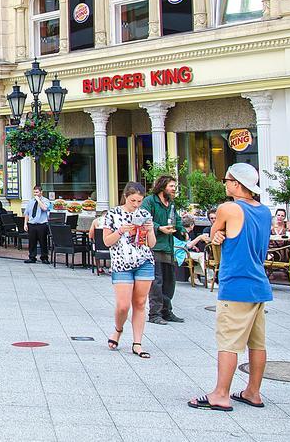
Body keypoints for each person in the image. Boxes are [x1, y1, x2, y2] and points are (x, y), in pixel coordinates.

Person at [189, 163, 272, 412]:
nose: (224, 184)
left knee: (228, 342)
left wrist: (218, 234)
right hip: (259, 283)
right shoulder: (265, 211)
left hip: (236, 282)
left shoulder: (229, 208)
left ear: (236, 183)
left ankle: (220, 394)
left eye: (226, 180)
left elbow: (214, 232)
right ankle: (253, 392)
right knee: (257, 343)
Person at [103, 182, 156, 359]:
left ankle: (137, 343)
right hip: (122, 263)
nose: (136, 205)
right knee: (123, 305)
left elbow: (152, 244)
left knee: (140, 303)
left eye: (139, 201)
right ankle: (118, 329)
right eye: (133, 200)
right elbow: (107, 241)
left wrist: (149, 230)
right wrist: (120, 231)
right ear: (126, 196)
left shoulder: (144, 214)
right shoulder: (113, 214)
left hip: (144, 261)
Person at [144, 175, 186, 325]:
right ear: (162, 187)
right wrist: (159, 228)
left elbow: (177, 221)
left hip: (168, 247)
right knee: (156, 282)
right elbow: (144, 219)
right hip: (154, 247)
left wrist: (182, 231)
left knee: (169, 282)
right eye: (172, 186)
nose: (174, 189)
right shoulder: (150, 201)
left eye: (175, 187)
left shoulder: (171, 204)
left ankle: (166, 311)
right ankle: (154, 314)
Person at [23, 185, 50, 264]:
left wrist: (38, 200)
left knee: (43, 241)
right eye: (34, 192)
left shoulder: (45, 200)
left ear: (41, 192)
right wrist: (25, 224)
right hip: (32, 224)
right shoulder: (30, 201)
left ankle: (44, 257)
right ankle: (32, 257)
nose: (35, 194)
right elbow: (27, 213)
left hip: (42, 224)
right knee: (32, 242)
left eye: (37, 192)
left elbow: (44, 208)